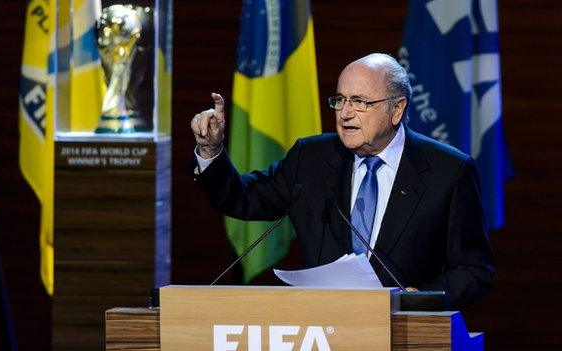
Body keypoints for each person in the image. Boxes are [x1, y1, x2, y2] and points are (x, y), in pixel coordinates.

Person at [189, 53, 494, 310]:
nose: (345, 113)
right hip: (324, 329)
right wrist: (210, 150)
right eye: (340, 100)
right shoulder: (311, 159)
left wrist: (416, 300)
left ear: (397, 109)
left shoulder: (448, 171)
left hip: (404, 331)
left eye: (360, 102)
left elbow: (473, 271)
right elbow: (241, 198)